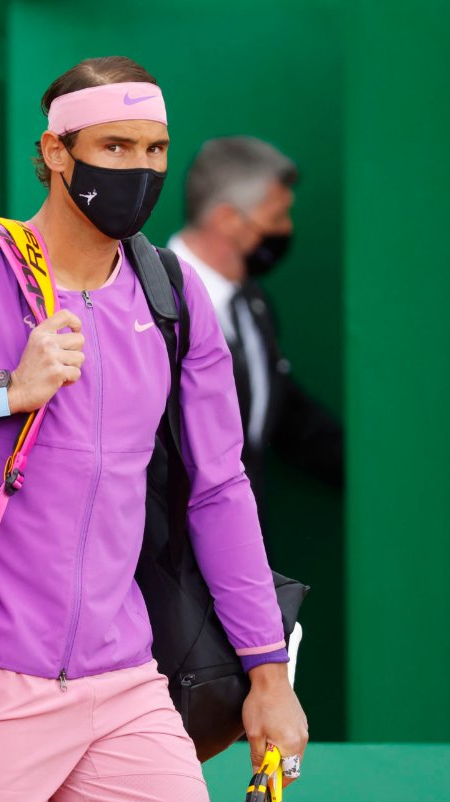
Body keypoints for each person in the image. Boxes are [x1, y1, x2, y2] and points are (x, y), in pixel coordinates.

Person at [0, 56, 307, 802]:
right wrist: (2, 393)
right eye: (115, 146)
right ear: (56, 152)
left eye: (154, 149)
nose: (139, 168)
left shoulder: (174, 294)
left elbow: (219, 490)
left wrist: (269, 674)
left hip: (128, 687)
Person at [168, 137, 343, 555]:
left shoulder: (252, 302)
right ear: (228, 220)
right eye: (277, 216)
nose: (285, 230)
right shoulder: (153, 307)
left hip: (243, 555)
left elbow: (283, 415)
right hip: (176, 561)